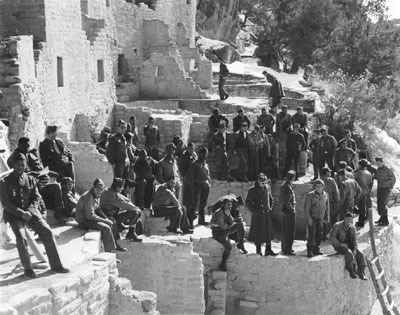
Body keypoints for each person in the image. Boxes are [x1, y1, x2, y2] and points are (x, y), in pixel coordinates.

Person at [0, 154, 69, 278]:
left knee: (47, 232)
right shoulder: (4, 182)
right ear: (13, 165)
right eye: (18, 165)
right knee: (21, 239)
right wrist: (22, 213)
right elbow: (5, 202)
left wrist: (31, 211)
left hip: (31, 212)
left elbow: (36, 197)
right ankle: (28, 269)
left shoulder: (31, 179)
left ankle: (56, 265)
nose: (20, 167)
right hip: (14, 214)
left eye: (23, 165)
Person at [75, 178, 118, 253]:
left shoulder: (95, 195)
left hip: (89, 219)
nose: (99, 191)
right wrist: (104, 220)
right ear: (93, 187)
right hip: (83, 221)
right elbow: (90, 215)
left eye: (101, 189)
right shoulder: (89, 196)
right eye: (98, 188)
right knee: (106, 227)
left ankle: (113, 247)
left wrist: (106, 218)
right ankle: (109, 252)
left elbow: (98, 209)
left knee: (112, 220)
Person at [100, 178, 142, 244]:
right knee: (135, 212)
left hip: (109, 215)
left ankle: (131, 233)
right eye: (121, 188)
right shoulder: (112, 196)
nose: (121, 189)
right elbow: (124, 204)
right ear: (117, 187)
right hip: (110, 218)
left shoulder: (107, 191)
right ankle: (131, 233)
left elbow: (120, 197)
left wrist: (127, 201)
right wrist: (137, 209)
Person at [211, 198, 247, 271]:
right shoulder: (219, 212)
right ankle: (223, 264)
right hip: (218, 233)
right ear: (224, 205)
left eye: (231, 204)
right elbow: (222, 226)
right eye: (228, 204)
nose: (230, 206)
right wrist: (230, 226)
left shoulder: (227, 211)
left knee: (240, 225)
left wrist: (228, 216)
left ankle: (241, 244)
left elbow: (231, 221)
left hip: (225, 230)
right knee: (228, 248)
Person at [246, 173, 277, 256]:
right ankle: (258, 250)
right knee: (258, 232)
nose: (264, 185)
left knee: (268, 232)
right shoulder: (252, 190)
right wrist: (254, 211)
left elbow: (271, 199)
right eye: (262, 183)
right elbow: (248, 202)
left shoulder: (268, 188)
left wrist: (270, 207)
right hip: (258, 214)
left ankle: (268, 249)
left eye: (265, 183)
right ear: (258, 182)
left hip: (266, 214)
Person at [330, 212, 367, 280]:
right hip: (340, 246)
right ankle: (351, 271)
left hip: (349, 245)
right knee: (349, 253)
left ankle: (361, 272)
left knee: (360, 254)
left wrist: (355, 248)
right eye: (347, 219)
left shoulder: (352, 227)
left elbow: (355, 239)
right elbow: (332, 237)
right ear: (344, 218)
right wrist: (340, 244)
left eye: (350, 219)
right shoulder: (337, 225)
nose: (348, 221)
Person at [186, 146, 211, 226]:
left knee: (203, 204)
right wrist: (193, 184)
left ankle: (201, 220)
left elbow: (208, 175)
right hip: (197, 185)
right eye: (203, 154)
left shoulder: (206, 164)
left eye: (206, 154)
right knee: (194, 204)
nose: (204, 156)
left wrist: (208, 182)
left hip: (205, 185)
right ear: (199, 154)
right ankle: (190, 222)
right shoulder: (194, 164)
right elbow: (188, 176)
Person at [304, 179, 330, 257]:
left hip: (320, 218)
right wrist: (309, 218)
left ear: (323, 187)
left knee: (319, 234)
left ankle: (316, 249)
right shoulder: (310, 195)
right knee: (311, 235)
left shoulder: (325, 195)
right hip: (312, 218)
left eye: (320, 186)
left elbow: (327, 207)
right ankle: (310, 250)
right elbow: (306, 208)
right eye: (317, 186)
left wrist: (327, 217)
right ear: (314, 187)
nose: (318, 188)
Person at [374, 157, 396, 226]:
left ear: (382, 162)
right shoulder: (377, 170)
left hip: (386, 189)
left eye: (379, 163)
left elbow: (393, 179)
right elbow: (376, 177)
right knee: (379, 203)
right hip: (380, 188)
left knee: (383, 204)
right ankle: (382, 218)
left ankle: (385, 221)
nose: (378, 165)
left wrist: (390, 187)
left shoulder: (388, 170)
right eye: (377, 164)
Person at [320, 167, 340, 239]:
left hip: (321, 202)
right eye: (329, 172)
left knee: (323, 219)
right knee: (333, 219)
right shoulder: (331, 180)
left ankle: (323, 235)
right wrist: (337, 200)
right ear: (326, 173)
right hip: (331, 202)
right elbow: (336, 191)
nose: (330, 173)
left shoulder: (318, 181)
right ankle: (333, 235)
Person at [280, 170, 296, 255]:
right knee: (290, 231)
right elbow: (287, 201)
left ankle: (284, 247)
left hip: (284, 210)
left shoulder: (284, 185)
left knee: (285, 230)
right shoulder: (287, 187)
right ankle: (287, 249)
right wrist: (292, 209)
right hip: (288, 210)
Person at [178, 142, 197, 211]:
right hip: (187, 179)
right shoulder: (184, 157)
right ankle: (187, 210)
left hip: (194, 178)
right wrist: (185, 176)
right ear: (187, 149)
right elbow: (181, 168)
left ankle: (193, 210)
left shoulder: (194, 155)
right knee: (187, 195)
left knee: (194, 195)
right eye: (190, 148)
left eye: (192, 148)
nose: (191, 150)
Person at [353, 160, 373, 227]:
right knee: (362, 207)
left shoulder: (357, 174)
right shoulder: (368, 173)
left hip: (358, 192)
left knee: (353, 206)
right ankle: (361, 222)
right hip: (365, 192)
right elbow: (371, 182)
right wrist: (368, 189)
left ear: (360, 165)